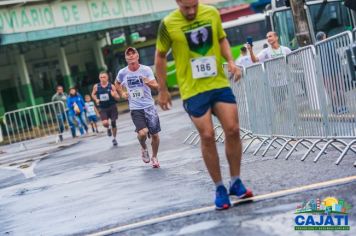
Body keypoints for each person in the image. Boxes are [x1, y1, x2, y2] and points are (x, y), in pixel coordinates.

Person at [155, 0, 253, 210]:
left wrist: (232, 62)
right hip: (192, 90)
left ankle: (235, 181)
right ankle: (219, 188)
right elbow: (161, 56)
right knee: (207, 135)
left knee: (233, 129)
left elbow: (221, 39)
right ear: (178, 2)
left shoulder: (211, 13)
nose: (191, 11)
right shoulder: (168, 23)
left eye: (194, 6)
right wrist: (162, 89)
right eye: (186, 8)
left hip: (217, 82)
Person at [115, 47, 161, 168]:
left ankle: (154, 157)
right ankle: (144, 148)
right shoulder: (123, 72)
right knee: (143, 133)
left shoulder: (146, 70)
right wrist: (121, 94)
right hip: (135, 108)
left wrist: (148, 82)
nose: (131, 55)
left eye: (133, 53)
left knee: (155, 135)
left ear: (137, 56)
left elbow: (156, 87)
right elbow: (117, 83)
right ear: (126, 58)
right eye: (128, 54)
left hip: (149, 106)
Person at [91, 71, 120, 146]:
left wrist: (114, 95)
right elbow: (93, 94)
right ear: (99, 78)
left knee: (113, 122)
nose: (102, 79)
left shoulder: (111, 86)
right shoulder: (96, 86)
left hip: (112, 106)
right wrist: (96, 99)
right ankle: (108, 128)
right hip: (102, 107)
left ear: (107, 78)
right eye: (101, 77)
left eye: (104, 77)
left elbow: (118, 98)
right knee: (105, 123)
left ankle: (114, 138)